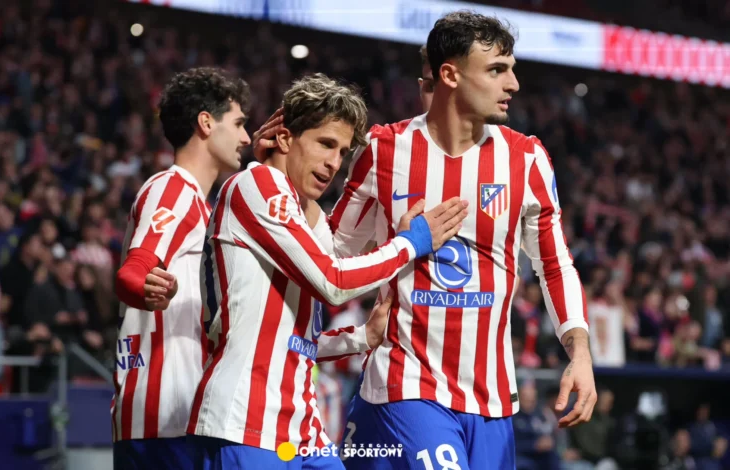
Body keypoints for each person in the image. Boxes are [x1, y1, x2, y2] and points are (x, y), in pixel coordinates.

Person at [328, 11, 596, 469]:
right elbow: (332, 258)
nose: (513, 84)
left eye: (512, 69)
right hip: (408, 383)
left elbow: (555, 265)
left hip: (491, 400)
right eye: (496, 70)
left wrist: (581, 351)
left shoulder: (526, 159)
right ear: (450, 75)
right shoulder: (384, 150)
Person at [187, 73, 468, 469]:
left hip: (302, 427)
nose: (334, 162)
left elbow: (296, 340)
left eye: (342, 152)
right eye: (325, 144)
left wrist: (361, 337)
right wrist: (410, 243)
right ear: (286, 139)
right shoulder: (255, 184)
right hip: (244, 421)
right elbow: (333, 281)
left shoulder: (312, 216)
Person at [111, 67, 252, 469]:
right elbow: (132, 273)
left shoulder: (199, 205)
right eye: (239, 124)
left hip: (176, 414)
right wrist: (147, 288)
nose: (246, 137)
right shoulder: (174, 189)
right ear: (206, 123)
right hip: (164, 418)